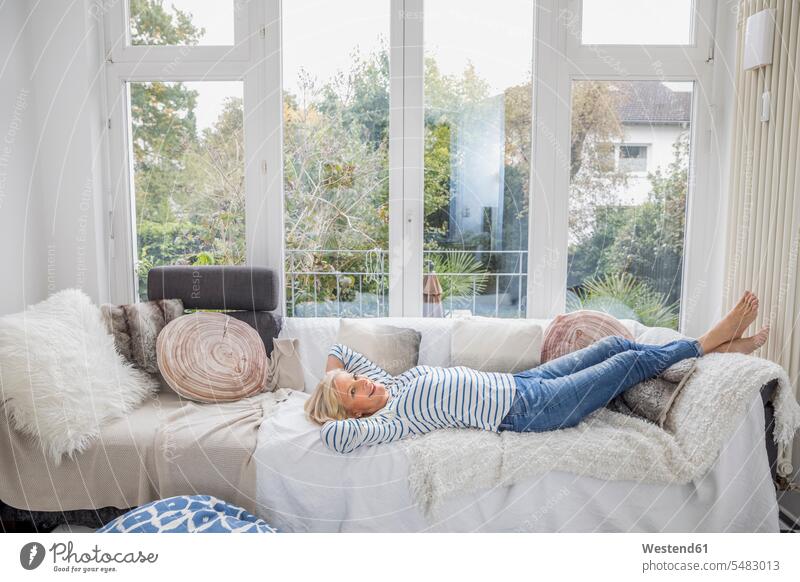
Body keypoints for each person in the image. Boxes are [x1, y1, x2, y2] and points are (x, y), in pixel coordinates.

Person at [306, 292, 769, 454]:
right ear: (354, 412)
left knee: (611, 344)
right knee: (626, 363)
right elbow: (333, 438)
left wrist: (331, 382)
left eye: (355, 379)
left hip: (524, 383)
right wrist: (327, 410)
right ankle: (710, 341)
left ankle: (722, 346)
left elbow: (340, 349)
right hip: (531, 411)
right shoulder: (390, 422)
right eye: (354, 389)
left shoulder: (390, 385)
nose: (362, 381)